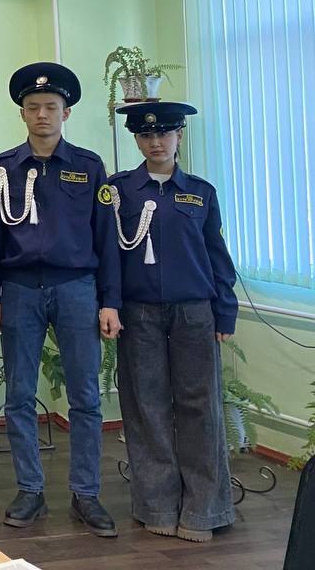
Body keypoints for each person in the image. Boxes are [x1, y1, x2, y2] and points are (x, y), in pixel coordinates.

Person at [0, 63, 120, 537]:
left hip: (76, 287)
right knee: (19, 395)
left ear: (66, 113)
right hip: (20, 289)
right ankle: (30, 490)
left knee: (85, 396)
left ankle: (87, 493)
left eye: (51, 107)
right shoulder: (3, 167)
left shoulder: (89, 166)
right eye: (33, 107)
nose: (42, 114)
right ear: (22, 113)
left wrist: (109, 301)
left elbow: (106, 238)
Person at [109, 101, 237, 543]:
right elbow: (108, 256)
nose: (156, 142)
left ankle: (205, 509)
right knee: (146, 407)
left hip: (194, 312)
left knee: (200, 407)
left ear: (179, 135)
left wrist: (225, 310)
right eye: (146, 135)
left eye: (164, 133)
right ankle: (157, 505)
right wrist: (109, 305)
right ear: (136, 140)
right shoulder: (119, 191)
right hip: (139, 313)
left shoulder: (200, 192)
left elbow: (217, 257)